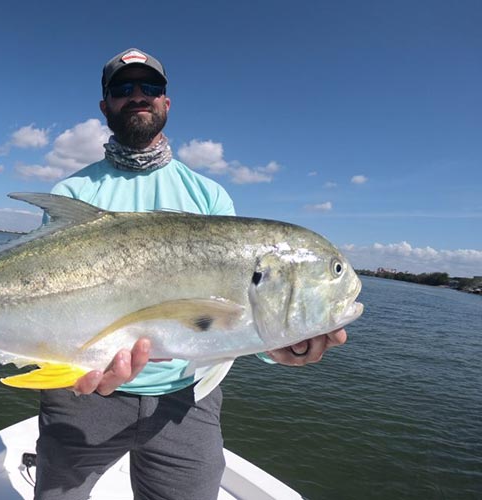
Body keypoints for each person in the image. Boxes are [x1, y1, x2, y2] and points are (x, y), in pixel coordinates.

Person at [34, 48, 348, 500]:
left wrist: (280, 344)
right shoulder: (72, 192)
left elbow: (235, 311)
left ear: (166, 101)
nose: (138, 95)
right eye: (123, 88)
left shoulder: (209, 197)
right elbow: (50, 296)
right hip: (83, 390)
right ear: (105, 105)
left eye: (150, 87)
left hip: (186, 398)